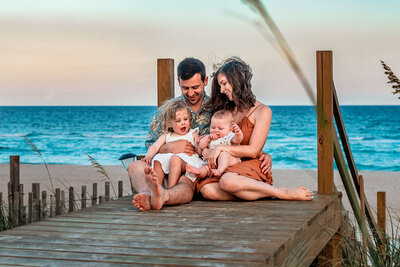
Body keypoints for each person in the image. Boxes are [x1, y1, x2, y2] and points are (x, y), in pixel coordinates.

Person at [130, 57, 272, 211]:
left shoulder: (217, 107)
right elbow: (150, 145)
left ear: (205, 81)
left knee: (187, 179)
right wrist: (168, 147)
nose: (190, 93)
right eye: (185, 88)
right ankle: (148, 196)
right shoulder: (167, 110)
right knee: (134, 166)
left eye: (195, 87)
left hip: (194, 167)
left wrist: (262, 154)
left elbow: (231, 139)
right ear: (178, 82)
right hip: (162, 165)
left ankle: (161, 196)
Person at [197, 56, 313, 201]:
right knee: (207, 190)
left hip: (249, 165)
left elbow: (252, 150)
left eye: (224, 83)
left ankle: (281, 193)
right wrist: (210, 150)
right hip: (227, 165)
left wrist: (221, 149)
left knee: (227, 182)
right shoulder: (225, 110)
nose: (221, 90)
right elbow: (212, 142)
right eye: (220, 85)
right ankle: (254, 192)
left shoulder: (263, 111)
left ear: (237, 80)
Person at [142, 98, 204, 188]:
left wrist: (200, 144)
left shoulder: (192, 133)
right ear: (170, 124)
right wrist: (148, 156)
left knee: (175, 159)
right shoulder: (167, 135)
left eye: (185, 119)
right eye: (178, 121)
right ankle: (157, 188)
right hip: (169, 161)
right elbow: (155, 147)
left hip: (187, 162)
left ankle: (171, 188)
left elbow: (199, 150)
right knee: (157, 160)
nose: (183, 123)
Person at [186, 109, 243, 178]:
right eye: (213, 127)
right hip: (213, 162)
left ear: (230, 129)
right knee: (206, 168)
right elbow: (201, 146)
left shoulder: (229, 136)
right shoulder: (210, 137)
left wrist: (238, 133)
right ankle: (198, 171)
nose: (216, 130)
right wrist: (208, 138)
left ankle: (220, 170)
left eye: (220, 128)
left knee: (224, 154)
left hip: (230, 160)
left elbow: (237, 140)